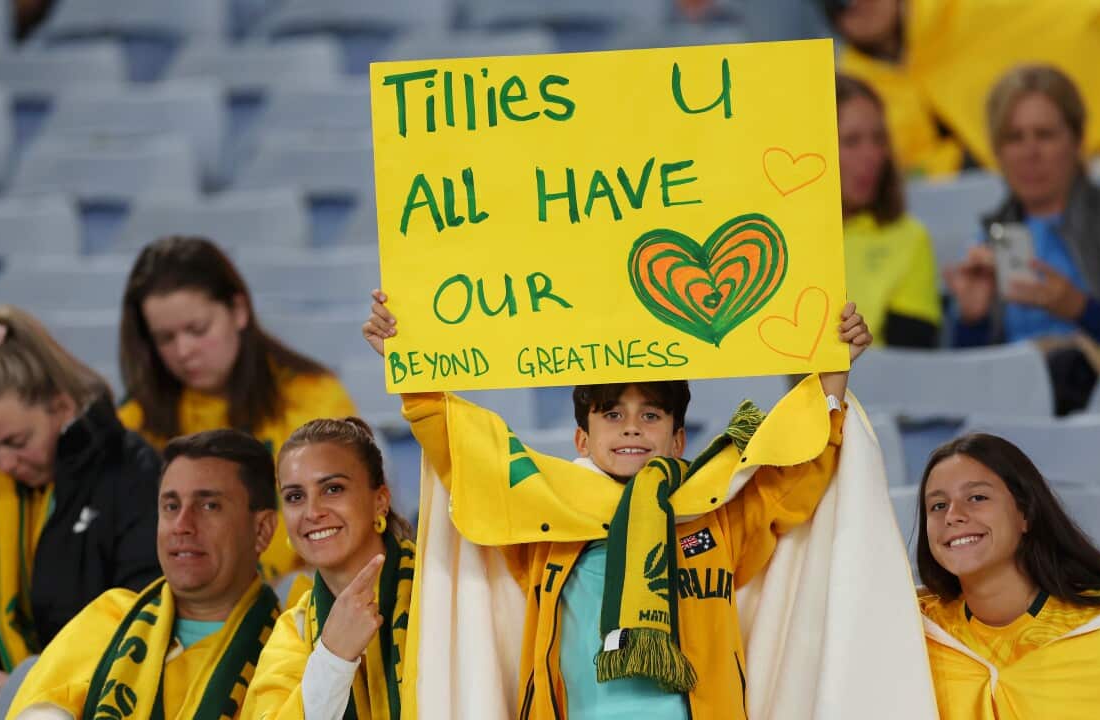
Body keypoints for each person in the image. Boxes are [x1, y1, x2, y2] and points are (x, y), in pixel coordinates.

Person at [361, 290, 872, 718]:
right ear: (582, 439)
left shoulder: (714, 511)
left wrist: (831, 381)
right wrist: (411, 365)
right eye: (612, 413)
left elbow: (793, 474)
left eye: (651, 414)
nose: (631, 426)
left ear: (677, 441)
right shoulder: (544, 513)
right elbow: (467, 452)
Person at [0, 306, 162, 720]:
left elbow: (140, 626)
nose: (4, 463)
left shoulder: (136, 476)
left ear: (63, 407)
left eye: (16, 441)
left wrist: (30, 680)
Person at [945, 65, 1100, 414]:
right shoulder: (987, 236)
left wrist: (1080, 308)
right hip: (1015, 419)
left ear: (1076, 141)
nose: (1031, 152)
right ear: (997, 153)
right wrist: (973, 320)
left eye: (1044, 134)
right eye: (1014, 138)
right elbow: (967, 389)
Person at [118, 235, 359, 582]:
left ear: (239, 311)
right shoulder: (133, 424)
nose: (184, 351)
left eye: (197, 329)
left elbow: (350, 532)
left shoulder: (314, 400)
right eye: (165, 338)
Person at [7, 429, 282, 720]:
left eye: (209, 505)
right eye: (171, 506)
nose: (182, 525)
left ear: (261, 530)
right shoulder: (110, 618)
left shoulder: (289, 650)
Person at [915, 432, 1100, 719]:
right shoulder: (920, 632)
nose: (953, 515)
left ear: (1026, 514)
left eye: (977, 497)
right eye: (938, 505)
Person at [828, 0, 1100, 176]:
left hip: (1088, 163)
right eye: (837, 2)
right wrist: (963, 159)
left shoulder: (967, 12)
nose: (854, 5)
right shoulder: (849, 83)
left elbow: (1083, 14)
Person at [243, 417, 415, 720]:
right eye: (295, 497)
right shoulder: (294, 630)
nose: (312, 512)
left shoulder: (444, 592)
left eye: (333, 489)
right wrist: (333, 657)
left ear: (380, 501)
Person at [837, 73, 942, 347]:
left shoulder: (910, 238)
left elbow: (909, 366)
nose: (872, 155)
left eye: (879, 139)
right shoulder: (775, 238)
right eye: (851, 141)